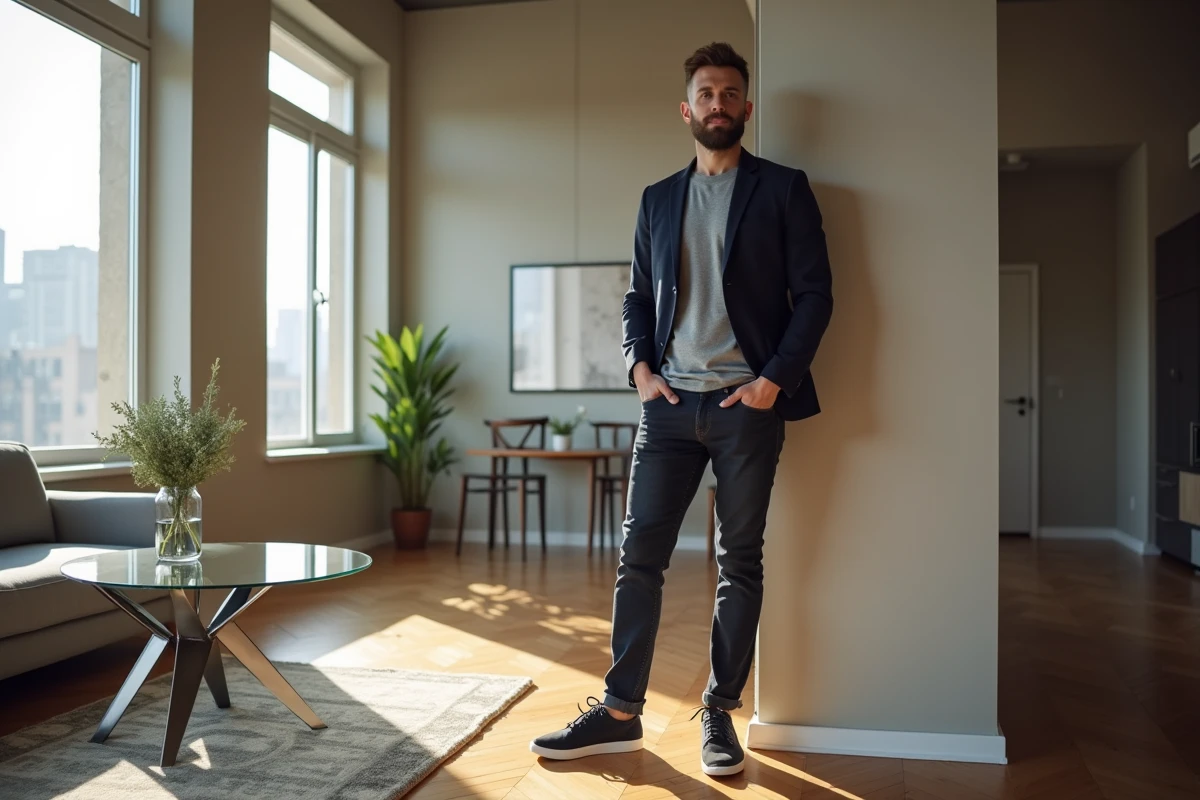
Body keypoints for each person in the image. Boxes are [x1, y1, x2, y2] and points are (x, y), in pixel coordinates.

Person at [529, 41, 833, 778]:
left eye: (730, 93)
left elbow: (817, 295)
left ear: (747, 107)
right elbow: (637, 296)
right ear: (687, 107)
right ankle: (620, 712)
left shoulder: (785, 189)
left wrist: (771, 383)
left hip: (745, 405)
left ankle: (720, 714)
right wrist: (639, 368)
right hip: (666, 407)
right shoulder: (658, 199)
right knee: (640, 558)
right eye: (706, 93)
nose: (718, 104)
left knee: (739, 562)